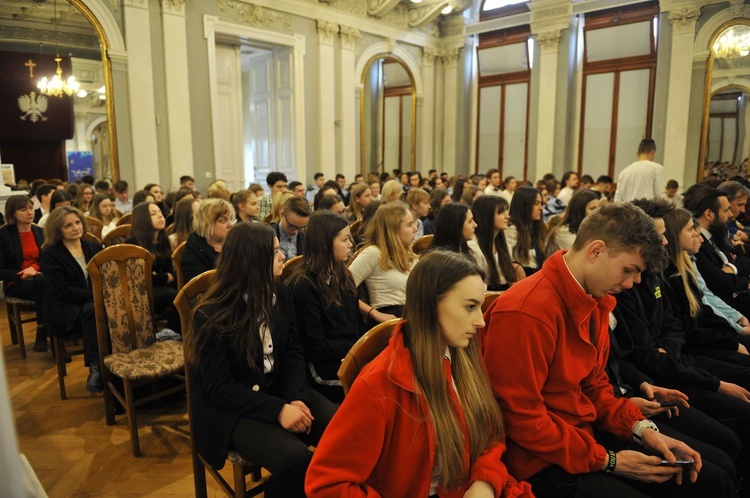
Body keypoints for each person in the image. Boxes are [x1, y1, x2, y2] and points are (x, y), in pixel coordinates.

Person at [483, 202, 735, 498]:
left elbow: (594, 386)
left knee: (712, 472)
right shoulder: (526, 312)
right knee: (704, 481)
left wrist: (642, 430)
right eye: (628, 270)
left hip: (581, 436)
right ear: (596, 250)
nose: (630, 283)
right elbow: (521, 419)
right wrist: (609, 461)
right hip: (539, 460)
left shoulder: (594, 296)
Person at [306, 250, 533, 498]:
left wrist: (484, 482)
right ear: (429, 306)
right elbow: (327, 484)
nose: (481, 321)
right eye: (470, 307)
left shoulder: (463, 357)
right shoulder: (379, 384)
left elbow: (489, 435)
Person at [188, 222, 335, 497]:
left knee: (344, 429)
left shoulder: (281, 293)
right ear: (252, 261)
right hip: (231, 409)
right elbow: (220, 388)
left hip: (278, 389)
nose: (284, 257)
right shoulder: (211, 313)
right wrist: (278, 410)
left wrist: (295, 398)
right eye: (276, 252)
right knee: (296, 460)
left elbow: (293, 354)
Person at [289, 211, 361, 403]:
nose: (351, 245)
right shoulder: (304, 285)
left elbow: (355, 325)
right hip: (325, 370)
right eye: (345, 239)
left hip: (350, 357)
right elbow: (315, 347)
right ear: (325, 243)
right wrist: (358, 348)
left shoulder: (344, 275)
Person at [41, 207, 103, 392]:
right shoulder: (51, 254)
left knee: (104, 310)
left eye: (77, 222)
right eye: (68, 225)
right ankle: (96, 367)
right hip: (66, 307)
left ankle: (117, 363)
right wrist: (94, 296)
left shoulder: (93, 247)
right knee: (93, 310)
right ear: (57, 230)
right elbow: (61, 290)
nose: (75, 227)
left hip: (93, 302)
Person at [348, 202, 417, 324]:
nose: (415, 229)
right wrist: (373, 313)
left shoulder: (409, 254)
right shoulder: (373, 253)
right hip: (389, 321)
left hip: (413, 317)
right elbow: (341, 289)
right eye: (410, 225)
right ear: (393, 230)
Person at [125, 202, 181, 333]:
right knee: (177, 297)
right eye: (153, 214)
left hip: (161, 292)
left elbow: (169, 273)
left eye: (160, 213)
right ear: (142, 218)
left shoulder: (163, 241)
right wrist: (163, 277)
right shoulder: (133, 243)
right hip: (140, 292)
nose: (160, 216)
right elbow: (139, 278)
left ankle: (175, 342)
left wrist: (161, 277)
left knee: (171, 312)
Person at [0, 195, 46, 351]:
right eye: (23, 209)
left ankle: (46, 332)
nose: (29, 212)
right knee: (48, 288)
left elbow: (49, 259)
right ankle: (48, 333)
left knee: (47, 285)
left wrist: (36, 268)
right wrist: (21, 274)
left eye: (31, 208)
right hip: (17, 283)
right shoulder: (4, 235)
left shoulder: (40, 232)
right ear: (13, 213)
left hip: (39, 279)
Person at [470, 195, 524, 290]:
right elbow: (476, 286)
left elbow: (504, 278)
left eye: (506, 211)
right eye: (501, 212)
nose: (507, 216)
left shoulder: (503, 243)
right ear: (486, 216)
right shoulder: (473, 247)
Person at [181, 198, 235, 284]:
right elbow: (197, 290)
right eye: (223, 220)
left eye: (231, 219)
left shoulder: (234, 243)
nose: (230, 225)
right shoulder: (194, 252)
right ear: (206, 224)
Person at [544, 189, 601, 255]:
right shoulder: (563, 232)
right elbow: (582, 257)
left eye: (598, 208)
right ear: (580, 211)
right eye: (592, 209)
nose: (597, 212)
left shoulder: (591, 229)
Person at [506, 185, 546, 276]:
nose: (541, 208)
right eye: (536, 203)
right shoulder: (512, 230)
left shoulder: (535, 228)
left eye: (541, 203)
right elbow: (505, 260)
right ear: (524, 205)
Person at [430, 202, 484, 268]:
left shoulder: (465, 250)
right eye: (470, 221)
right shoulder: (440, 263)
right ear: (456, 225)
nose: (475, 225)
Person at [269, 196, 310, 260]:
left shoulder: (307, 239)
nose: (295, 232)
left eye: (301, 228)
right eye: (291, 226)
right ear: (282, 214)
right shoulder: (267, 236)